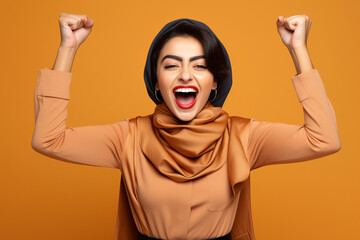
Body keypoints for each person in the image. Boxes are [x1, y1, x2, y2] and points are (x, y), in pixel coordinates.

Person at [31, 13, 341, 240]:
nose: (185, 75)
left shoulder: (245, 137)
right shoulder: (128, 137)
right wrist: (67, 48)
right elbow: (49, 140)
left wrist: (298, 50)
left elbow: (323, 140)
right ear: (156, 81)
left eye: (200, 65)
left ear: (214, 81)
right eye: (171, 65)